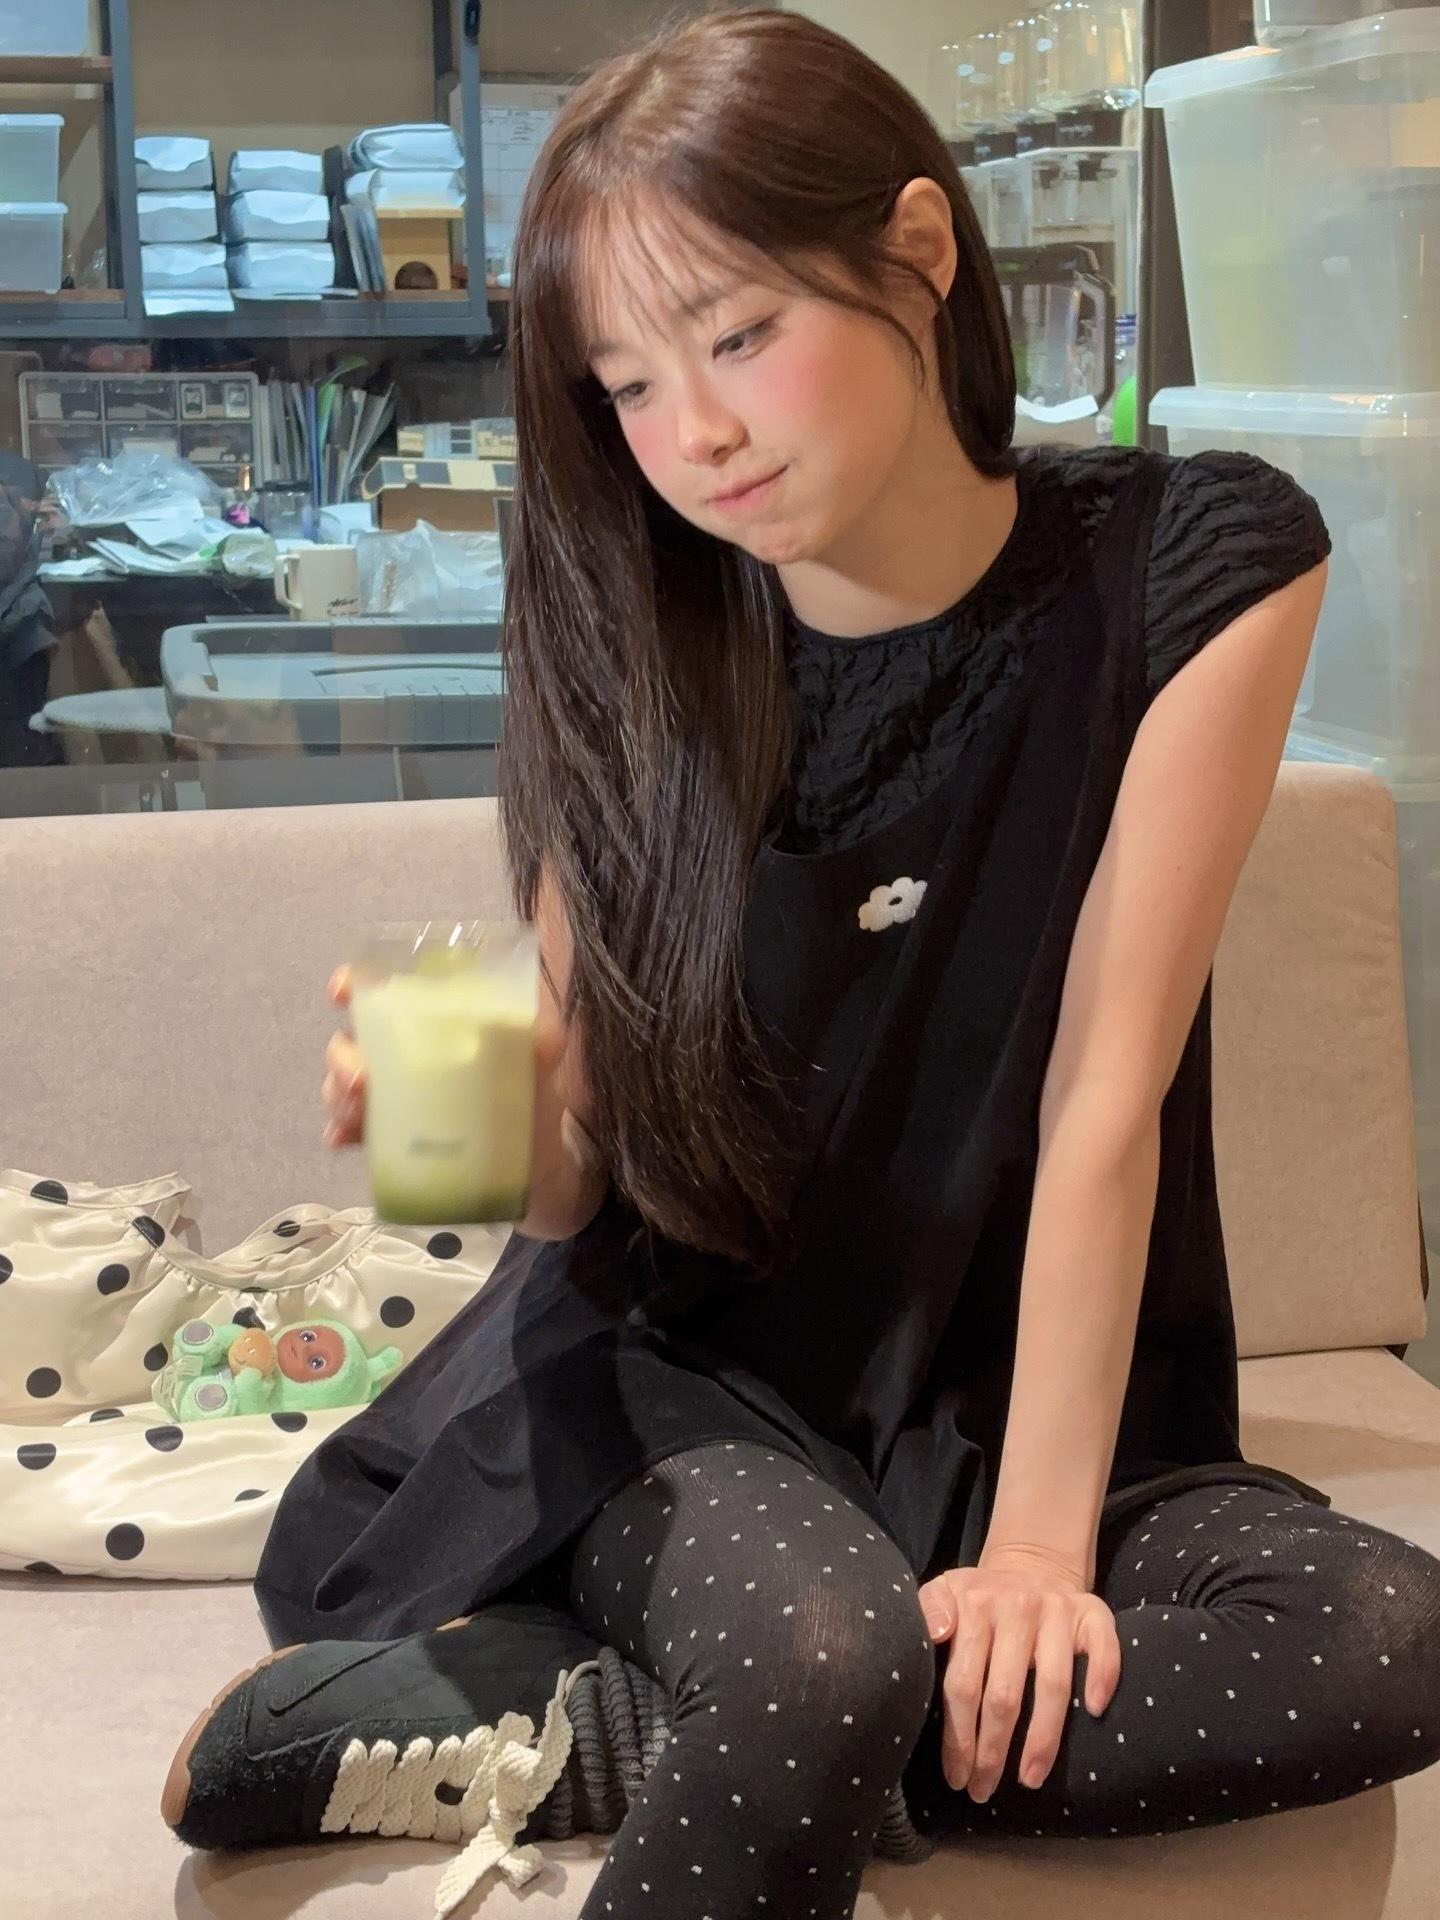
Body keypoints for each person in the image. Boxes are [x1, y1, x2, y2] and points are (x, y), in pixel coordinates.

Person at [161, 11, 1440, 1918]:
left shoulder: (1199, 562)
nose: (698, 435)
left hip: (1022, 1399)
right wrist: (509, 1113)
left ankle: (603, 1719)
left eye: (741, 335)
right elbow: (578, 1203)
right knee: (824, 1660)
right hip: (685, 1382)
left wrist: (1036, 1555)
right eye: (629, 385)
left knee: (1385, 1637)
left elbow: (1106, 1094)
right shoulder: (643, 644)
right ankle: (752, 1703)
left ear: (918, 252)